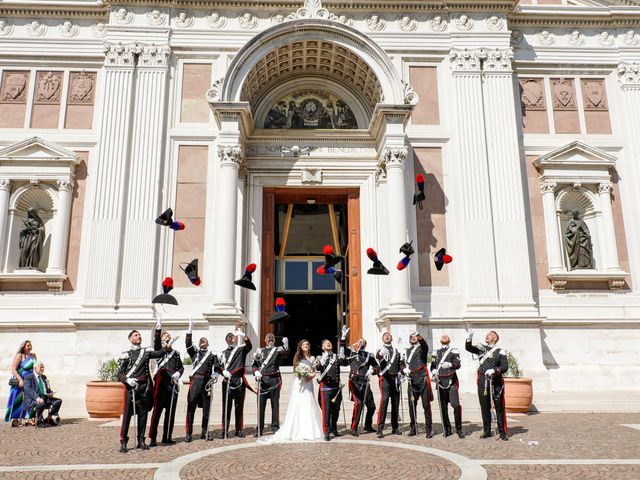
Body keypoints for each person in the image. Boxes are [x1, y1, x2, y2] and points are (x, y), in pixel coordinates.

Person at [259, 339, 323, 443]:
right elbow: (295, 370)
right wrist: (302, 375)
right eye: (304, 344)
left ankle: (309, 430)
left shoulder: (312, 358)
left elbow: (314, 371)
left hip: (308, 384)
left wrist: (310, 375)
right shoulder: (297, 357)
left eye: (307, 344)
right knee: (298, 405)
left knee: (308, 404)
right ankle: (295, 430)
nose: (306, 346)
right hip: (299, 384)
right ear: (301, 346)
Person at [116, 317, 165, 452]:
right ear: (130, 339)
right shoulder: (126, 355)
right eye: (136, 335)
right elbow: (119, 374)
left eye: (139, 335)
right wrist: (127, 380)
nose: (138, 337)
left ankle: (141, 440)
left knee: (143, 414)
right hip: (131, 387)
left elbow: (159, 353)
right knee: (127, 415)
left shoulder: (145, 352)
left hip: (144, 387)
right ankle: (124, 441)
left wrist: (158, 331)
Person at [465, 329, 509, 441]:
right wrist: (469, 339)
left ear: (495, 338)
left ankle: (502, 431)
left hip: (496, 381)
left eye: (489, 335)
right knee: (485, 406)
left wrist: (495, 370)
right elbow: (469, 348)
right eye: (487, 335)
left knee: (499, 406)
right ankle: (487, 431)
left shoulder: (500, 351)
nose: (487, 336)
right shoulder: (481, 349)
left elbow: (504, 367)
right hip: (483, 380)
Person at [184, 319, 219, 442]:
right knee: (191, 408)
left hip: (206, 383)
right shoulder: (194, 353)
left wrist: (216, 374)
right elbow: (188, 344)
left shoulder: (212, 354)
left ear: (208, 343)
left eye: (204, 340)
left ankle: (205, 431)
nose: (202, 341)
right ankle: (189, 433)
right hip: (196, 382)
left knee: (206, 409)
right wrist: (190, 330)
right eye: (200, 340)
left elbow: (218, 366)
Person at [148, 330, 183, 447]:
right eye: (165, 334)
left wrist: (178, 373)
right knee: (157, 412)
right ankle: (153, 438)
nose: (167, 336)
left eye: (168, 335)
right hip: (161, 383)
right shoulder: (159, 350)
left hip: (172, 384)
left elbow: (181, 367)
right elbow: (157, 342)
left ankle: (167, 436)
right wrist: (158, 330)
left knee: (170, 412)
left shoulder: (176, 353)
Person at [252, 332, 289, 436]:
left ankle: (275, 427)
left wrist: (286, 345)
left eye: (272, 337)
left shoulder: (278, 349)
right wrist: (255, 372)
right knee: (261, 406)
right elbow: (254, 364)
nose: (270, 338)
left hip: (274, 380)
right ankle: (259, 428)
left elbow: (286, 354)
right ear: (265, 340)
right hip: (262, 380)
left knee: (275, 405)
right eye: (268, 337)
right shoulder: (260, 350)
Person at [218, 330, 253, 438]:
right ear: (226, 340)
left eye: (233, 336)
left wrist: (243, 336)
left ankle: (239, 430)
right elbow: (218, 366)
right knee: (226, 407)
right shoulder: (222, 353)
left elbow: (249, 346)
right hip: (227, 381)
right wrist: (222, 371)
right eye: (229, 336)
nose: (232, 337)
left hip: (239, 381)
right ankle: (224, 430)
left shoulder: (241, 349)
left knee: (239, 407)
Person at [340, 335, 377, 436]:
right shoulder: (352, 353)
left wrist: (372, 371)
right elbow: (342, 351)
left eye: (363, 342)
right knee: (358, 404)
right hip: (354, 381)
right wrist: (343, 338)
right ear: (357, 343)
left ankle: (368, 425)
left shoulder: (369, 355)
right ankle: (354, 428)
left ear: (366, 345)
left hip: (365, 382)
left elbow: (377, 367)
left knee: (372, 406)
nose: (361, 343)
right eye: (359, 341)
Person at [315, 330, 348, 441]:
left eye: (330, 342)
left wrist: (343, 340)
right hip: (326, 387)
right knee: (327, 410)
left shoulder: (336, 356)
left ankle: (334, 428)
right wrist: (322, 360)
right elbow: (317, 368)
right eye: (326, 343)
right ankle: (326, 431)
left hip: (336, 387)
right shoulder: (319, 357)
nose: (328, 343)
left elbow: (344, 362)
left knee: (336, 410)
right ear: (322, 347)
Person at [431, 334, 464, 438]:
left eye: (446, 336)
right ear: (440, 340)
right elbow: (432, 365)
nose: (444, 337)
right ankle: (447, 429)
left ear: (449, 340)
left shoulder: (454, 350)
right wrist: (433, 371)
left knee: (456, 405)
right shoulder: (435, 352)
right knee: (443, 407)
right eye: (442, 336)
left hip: (451, 380)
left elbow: (458, 364)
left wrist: (450, 365)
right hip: (440, 381)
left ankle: (459, 429)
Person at [402, 331, 434, 438]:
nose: (413, 338)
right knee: (412, 405)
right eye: (411, 337)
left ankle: (428, 429)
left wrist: (419, 336)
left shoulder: (421, 348)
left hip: (422, 378)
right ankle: (413, 428)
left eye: (415, 337)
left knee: (426, 405)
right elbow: (402, 363)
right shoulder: (406, 351)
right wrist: (403, 369)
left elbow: (425, 345)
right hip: (412, 379)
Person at [375, 331, 402, 438]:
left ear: (392, 339)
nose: (387, 336)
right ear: (382, 339)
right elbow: (378, 356)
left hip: (395, 379)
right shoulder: (380, 349)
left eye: (389, 335)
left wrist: (403, 371)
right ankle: (380, 428)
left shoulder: (396, 351)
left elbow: (400, 363)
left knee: (395, 404)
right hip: (386, 379)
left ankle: (395, 427)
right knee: (384, 401)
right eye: (385, 335)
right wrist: (380, 354)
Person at [5, 340, 37, 427]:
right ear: (23, 347)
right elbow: (14, 369)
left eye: (31, 345)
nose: (30, 347)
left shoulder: (33, 356)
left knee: (30, 398)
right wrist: (20, 380)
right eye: (28, 345)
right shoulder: (20, 356)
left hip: (30, 379)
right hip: (21, 379)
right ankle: (15, 420)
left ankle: (29, 419)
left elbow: (35, 368)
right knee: (18, 399)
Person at [23, 361, 62, 428]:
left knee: (58, 401)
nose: (42, 369)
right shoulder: (28, 377)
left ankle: (48, 418)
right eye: (41, 367)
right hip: (33, 399)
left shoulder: (43, 377)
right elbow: (29, 390)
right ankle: (38, 421)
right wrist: (37, 398)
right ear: (35, 368)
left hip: (45, 397)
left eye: (43, 367)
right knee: (41, 403)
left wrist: (50, 393)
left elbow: (47, 388)